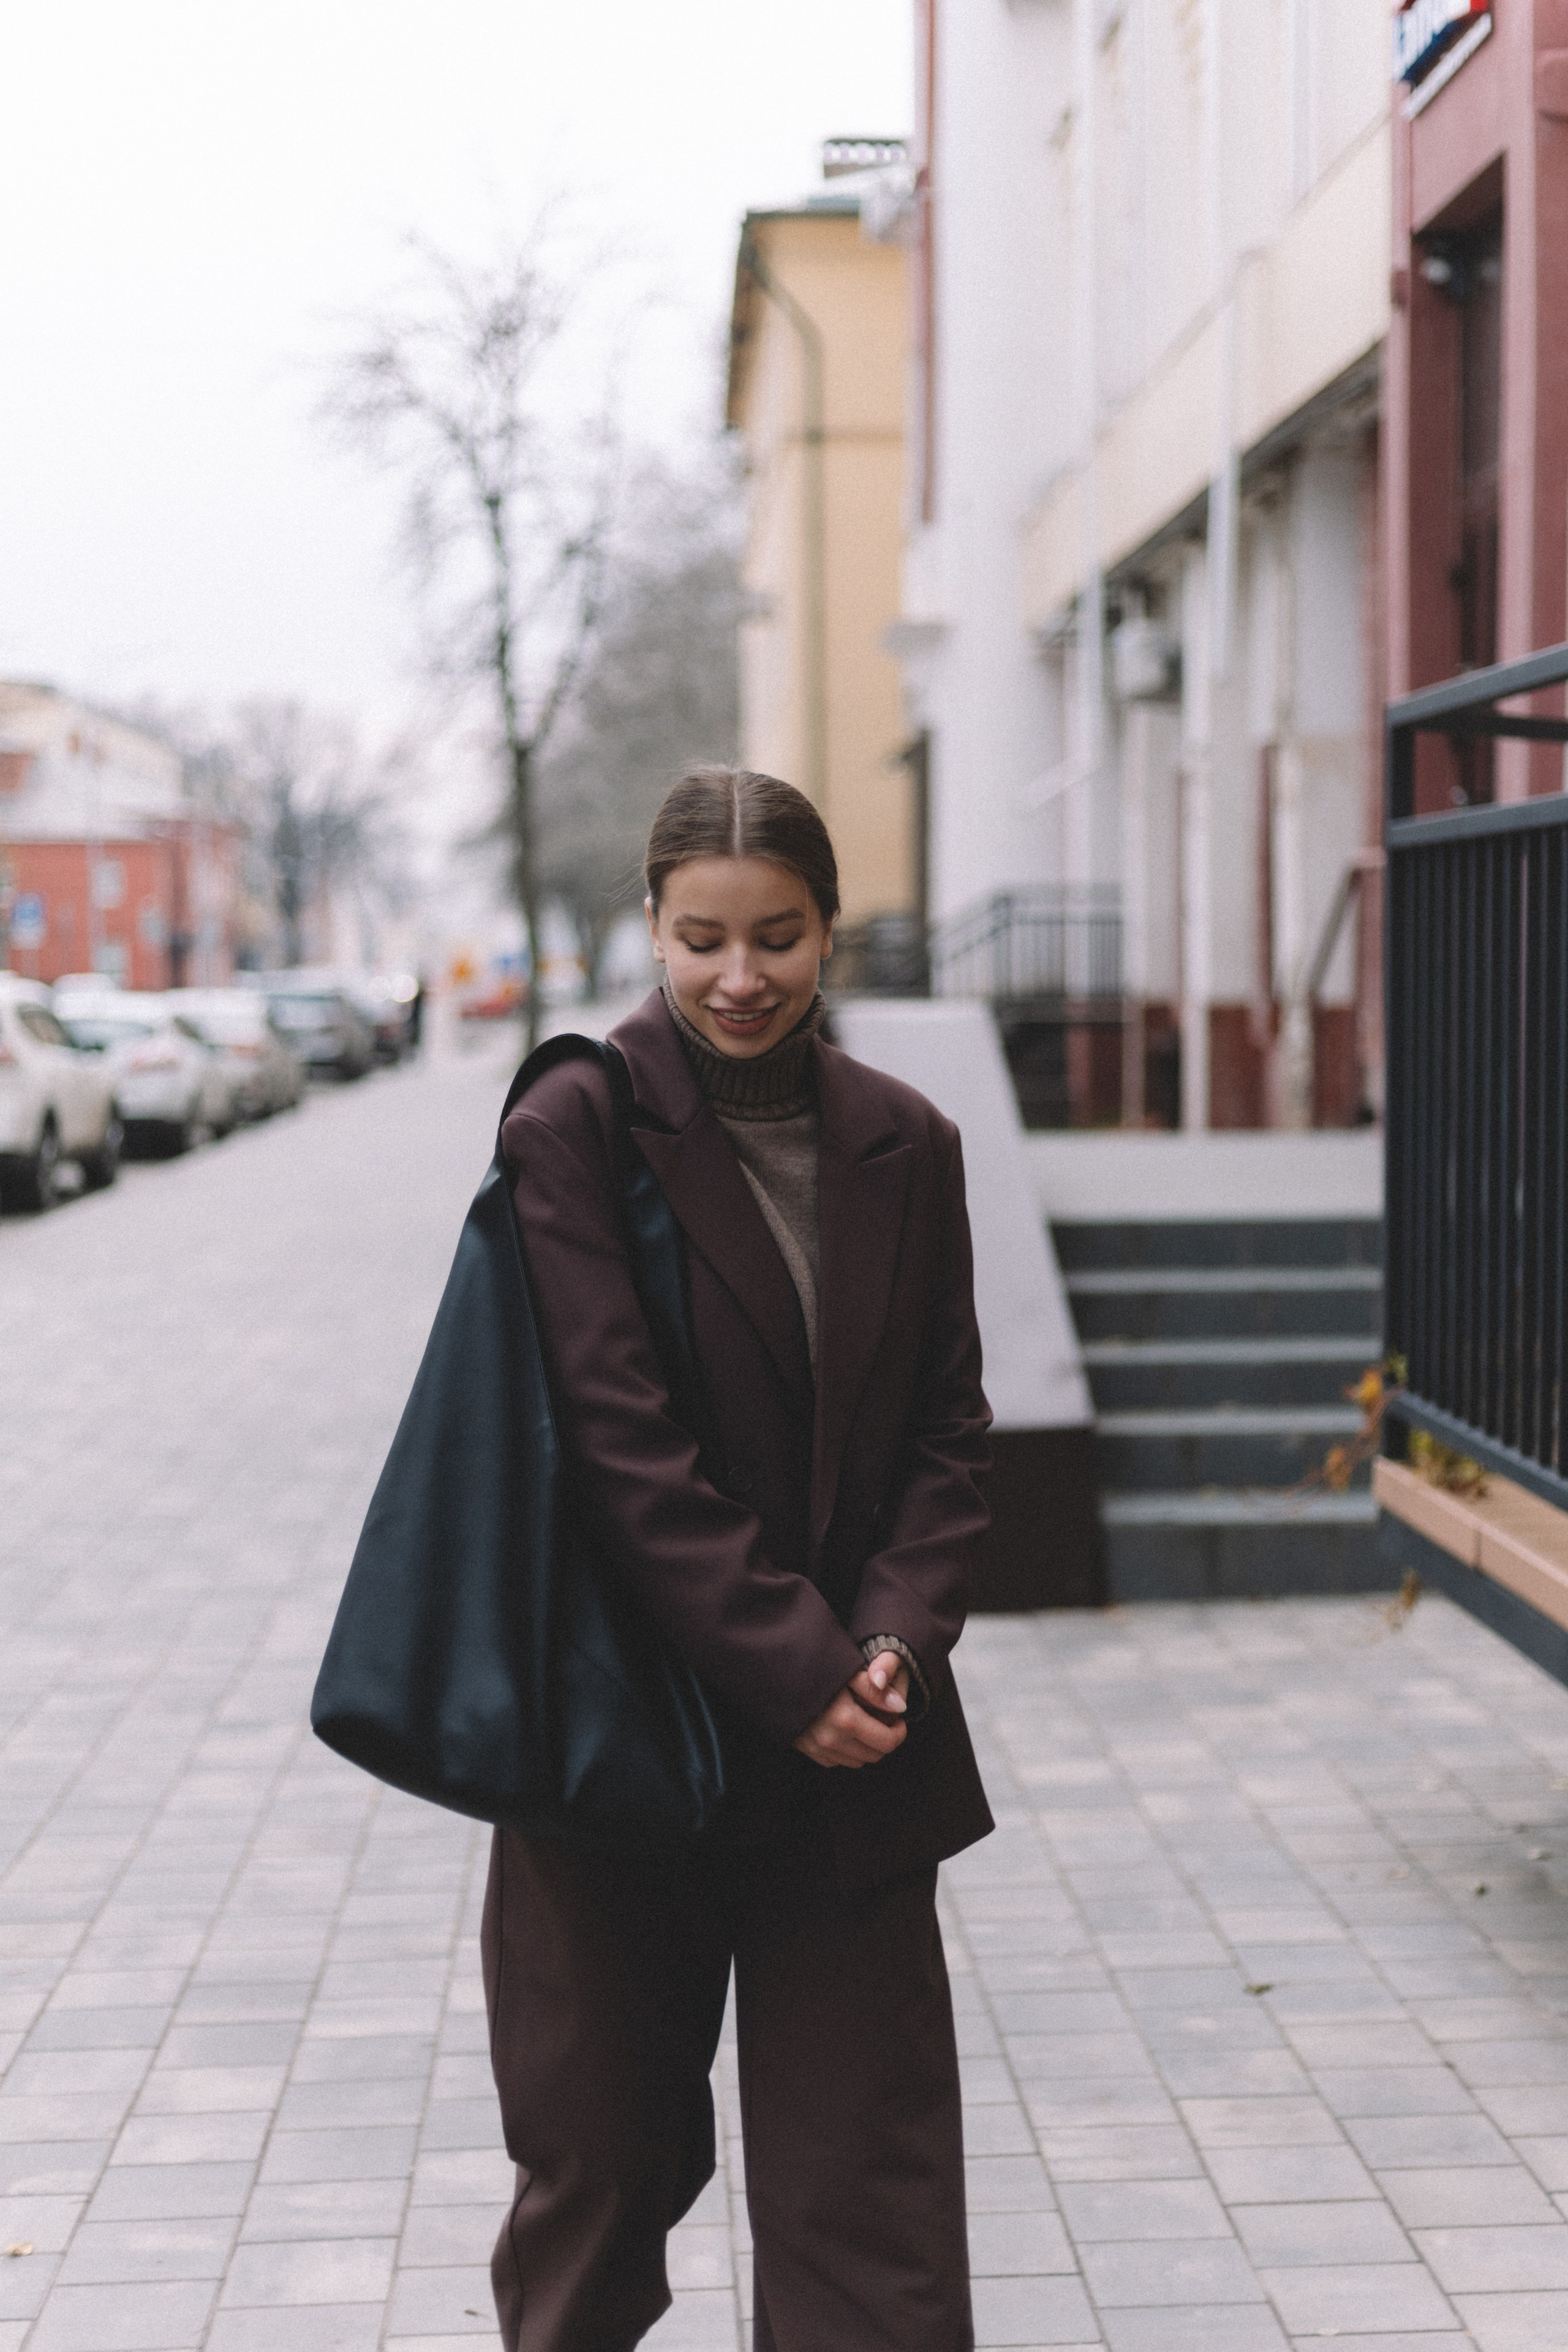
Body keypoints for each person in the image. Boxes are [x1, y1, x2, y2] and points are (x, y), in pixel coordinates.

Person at [483, 764, 994, 2351]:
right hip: (624, 1734)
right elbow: (619, 1449)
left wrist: (892, 1645)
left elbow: (949, 1435)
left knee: (872, 2207)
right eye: (703, 938)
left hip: (856, 1750)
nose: (740, 977)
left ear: (829, 929)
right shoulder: (573, 1128)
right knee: (602, 2171)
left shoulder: (909, 1141)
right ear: (652, 925)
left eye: (777, 935)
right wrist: (799, 1670)